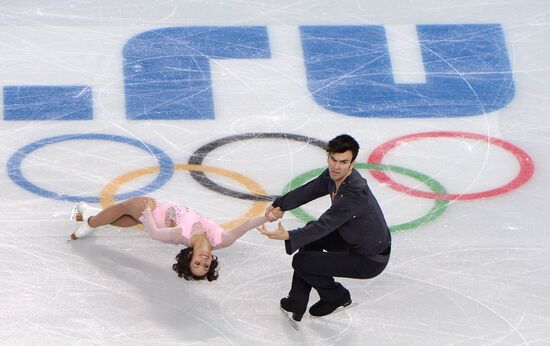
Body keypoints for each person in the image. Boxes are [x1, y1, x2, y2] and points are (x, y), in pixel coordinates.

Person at [257, 134, 391, 321]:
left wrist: (288, 235)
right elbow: (308, 190)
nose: (336, 167)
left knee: (302, 261)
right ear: (328, 157)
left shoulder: (353, 194)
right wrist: (280, 204)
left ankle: (337, 296)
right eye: (333, 160)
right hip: (354, 240)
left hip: (370, 258)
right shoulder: (332, 175)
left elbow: (324, 225)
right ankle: (297, 301)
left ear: (352, 164)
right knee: (310, 235)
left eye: (343, 162)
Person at [69, 196, 280, 281]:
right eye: (205, 266)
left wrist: (149, 212)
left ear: (190, 257)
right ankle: (91, 215)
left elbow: (153, 232)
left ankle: (88, 224)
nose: (204, 261)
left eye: (197, 264)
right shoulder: (221, 240)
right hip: (152, 216)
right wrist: (267, 217)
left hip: (154, 211)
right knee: (125, 216)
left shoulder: (181, 235)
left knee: (125, 208)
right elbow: (246, 225)